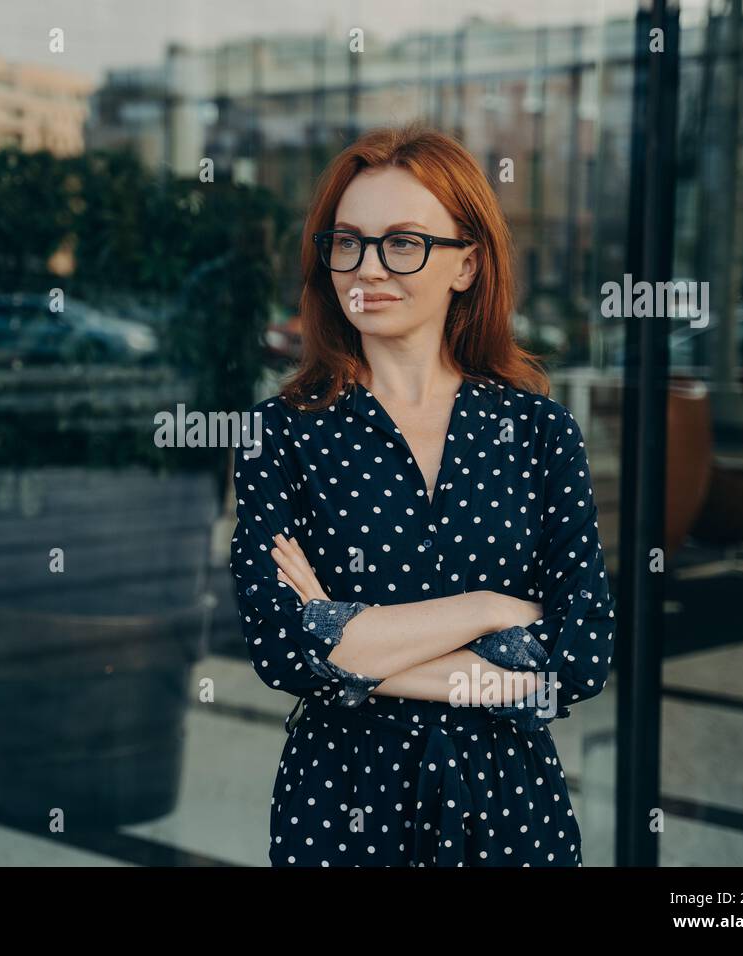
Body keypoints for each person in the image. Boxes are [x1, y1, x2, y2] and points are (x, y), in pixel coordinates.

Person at [229, 122, 615, 867]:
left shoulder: (538, 431)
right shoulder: (280, 433)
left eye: (403, 242)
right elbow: (280, 648)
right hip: (340, 808)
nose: (366, 269)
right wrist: (494, 614)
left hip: (511, 808)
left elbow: (578, 656)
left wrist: (345, 642)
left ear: (467, 263)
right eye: (348, 241)